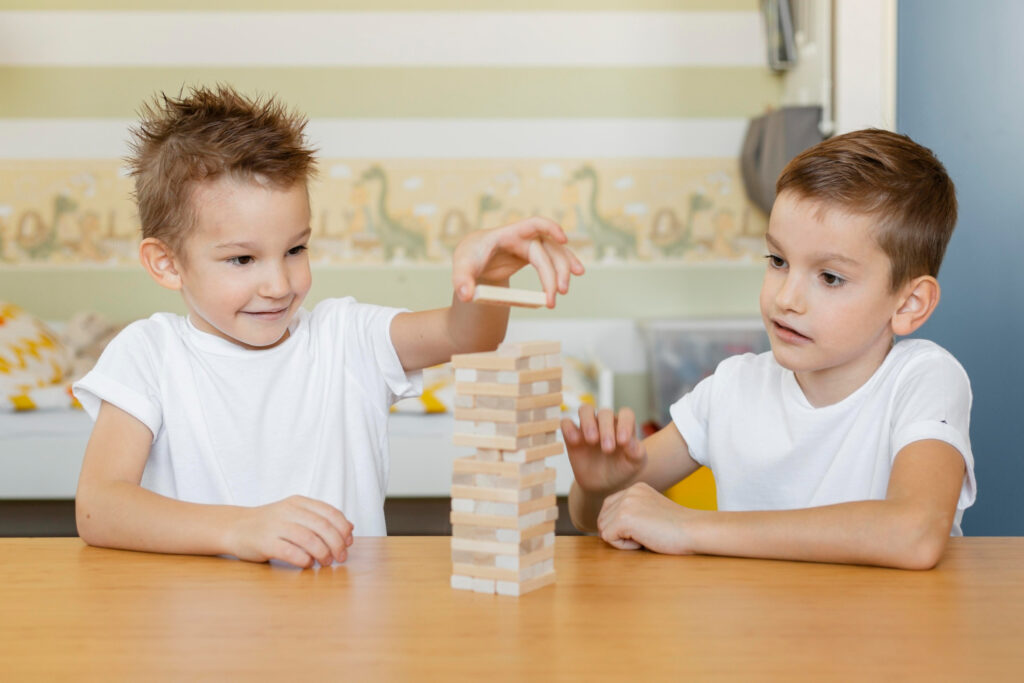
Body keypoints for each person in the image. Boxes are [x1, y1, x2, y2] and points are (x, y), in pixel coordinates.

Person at [73, 85, 584, 568]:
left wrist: (489, 279)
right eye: (242, 259)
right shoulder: (148, 354)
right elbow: (100, 507)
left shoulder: (346, 338)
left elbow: (466, 336)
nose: (278, 283)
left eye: (295, 249)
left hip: (347, 632)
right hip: (207, 641)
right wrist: (240, 529)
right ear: (167, 264)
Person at [564, 129, 974, 569]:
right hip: (758, 633)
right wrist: (597, 488)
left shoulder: (925, 378)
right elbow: (595, 518)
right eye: (778, 261)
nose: (786, 299)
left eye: (830, 277)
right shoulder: (731, 389)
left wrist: (688, 527)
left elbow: (913, 534)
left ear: (909, 304)